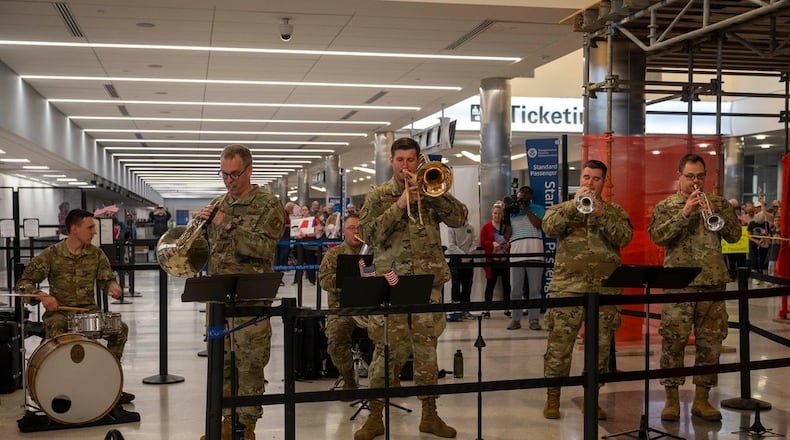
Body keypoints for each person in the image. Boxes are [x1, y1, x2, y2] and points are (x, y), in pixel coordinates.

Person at [357, 136, 465, 440]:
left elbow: (459, 218)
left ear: (419, 161)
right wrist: (400, 204)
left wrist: (434, 196)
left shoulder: (432, 189)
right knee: (386, 351)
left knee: (427, 351)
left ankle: (430, 415)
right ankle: (375, 416)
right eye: (400, 160)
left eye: (411, 160)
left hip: (427, 284)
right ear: (391, 161)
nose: (406, 166)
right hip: (391, 283)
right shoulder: (379, 195)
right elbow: (368, 233)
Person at [197, 144, 285, 440]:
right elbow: (206, 250)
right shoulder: (218, 203)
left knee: (249, 366)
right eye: (224, 174)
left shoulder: (268, 204)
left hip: (250, 300)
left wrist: (227, 224)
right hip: (219, 300)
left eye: (235, 174)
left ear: (249, 169)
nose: (229, 180)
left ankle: (246, 427)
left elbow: (263, 248)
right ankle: (225, 422)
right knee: (220, 365)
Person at [648, 153, 741, 422]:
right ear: (679, 176)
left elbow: (734, 236)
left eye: (700, 176)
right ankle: (671, 401)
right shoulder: (667, 206)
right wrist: (685, 211)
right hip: (678, 285)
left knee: (710, 344)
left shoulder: (719, 203)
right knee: (673, 343)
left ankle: (702, 399)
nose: (695, 181)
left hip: (712, 283)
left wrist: (719, 215)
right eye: (690, 176)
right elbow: (658, 236)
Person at [541, 159, 633, 420]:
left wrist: (600, 215)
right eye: (585, 177)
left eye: (595, 179)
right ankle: (553, 397)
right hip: (567, 288)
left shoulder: (613, 211)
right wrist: (574, 207)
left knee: (600, 349)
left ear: (604, 182)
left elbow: (624, 238)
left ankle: (593, 397)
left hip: (604, 291)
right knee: (559, 346)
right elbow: (549, 228)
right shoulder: (562, 208)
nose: (589, 183)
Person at [16, 208, 135, 404]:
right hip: (60, 313)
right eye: (90, 228)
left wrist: (113, 287)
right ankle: (59, 390)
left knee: (120, 329)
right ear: (74, 229)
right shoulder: (51, 255)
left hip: (89, 312)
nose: (94, 232)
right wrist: (42, 296)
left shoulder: (96, 254)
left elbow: (107, 279)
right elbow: (23, 284)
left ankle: (107, 382)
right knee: (57, 332)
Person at [318, 214, 365, 392]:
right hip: (342, 308)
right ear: (343, 232)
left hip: (371, 307)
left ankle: (384, 381)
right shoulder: (334, 254)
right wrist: (346, 281)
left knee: (392, 334)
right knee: (336, 339)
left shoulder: (373, 252)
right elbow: (323, 280)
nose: (356, 231)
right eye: (351, 228)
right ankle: (348, 380)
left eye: (359, 228)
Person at [507, 186, 546, 331]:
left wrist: (526, 209)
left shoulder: (538, 208)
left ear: (531, 196)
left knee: (535, 290)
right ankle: (515, 320)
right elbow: (507, 235)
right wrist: (507, 214)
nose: (523, 196)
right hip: (516, 254)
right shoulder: (512, 211)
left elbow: (539, 225)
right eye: (521, 194)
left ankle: (534, 320)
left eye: (526, 194)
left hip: (535, 253)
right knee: (515, 290)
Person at [479, 201, 511, 318]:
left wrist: (508, 245)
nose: (497, 215)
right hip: (491, 261)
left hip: (504, 261)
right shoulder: (486, 227)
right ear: (492, 214)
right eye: (495, 213)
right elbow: (482, 242)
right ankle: (487, 309)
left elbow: (510, 240)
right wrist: (492, 244)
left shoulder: (506, 227)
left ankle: (507, 308)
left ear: (502, 215)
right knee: (490, 285)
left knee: (506, 285)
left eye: (499, 214)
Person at [446, 205, 478, 319]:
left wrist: (468, 255)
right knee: (456, 284)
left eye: (465, 211)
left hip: (469, 260)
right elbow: (451, 245)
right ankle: (456, 311)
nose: (463, 213)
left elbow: (474, 242)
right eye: (461, 211)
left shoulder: (471, 227)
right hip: (456, 259)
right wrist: (462, 256)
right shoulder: (451, 227)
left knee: (467, 285)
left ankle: (466, 310)